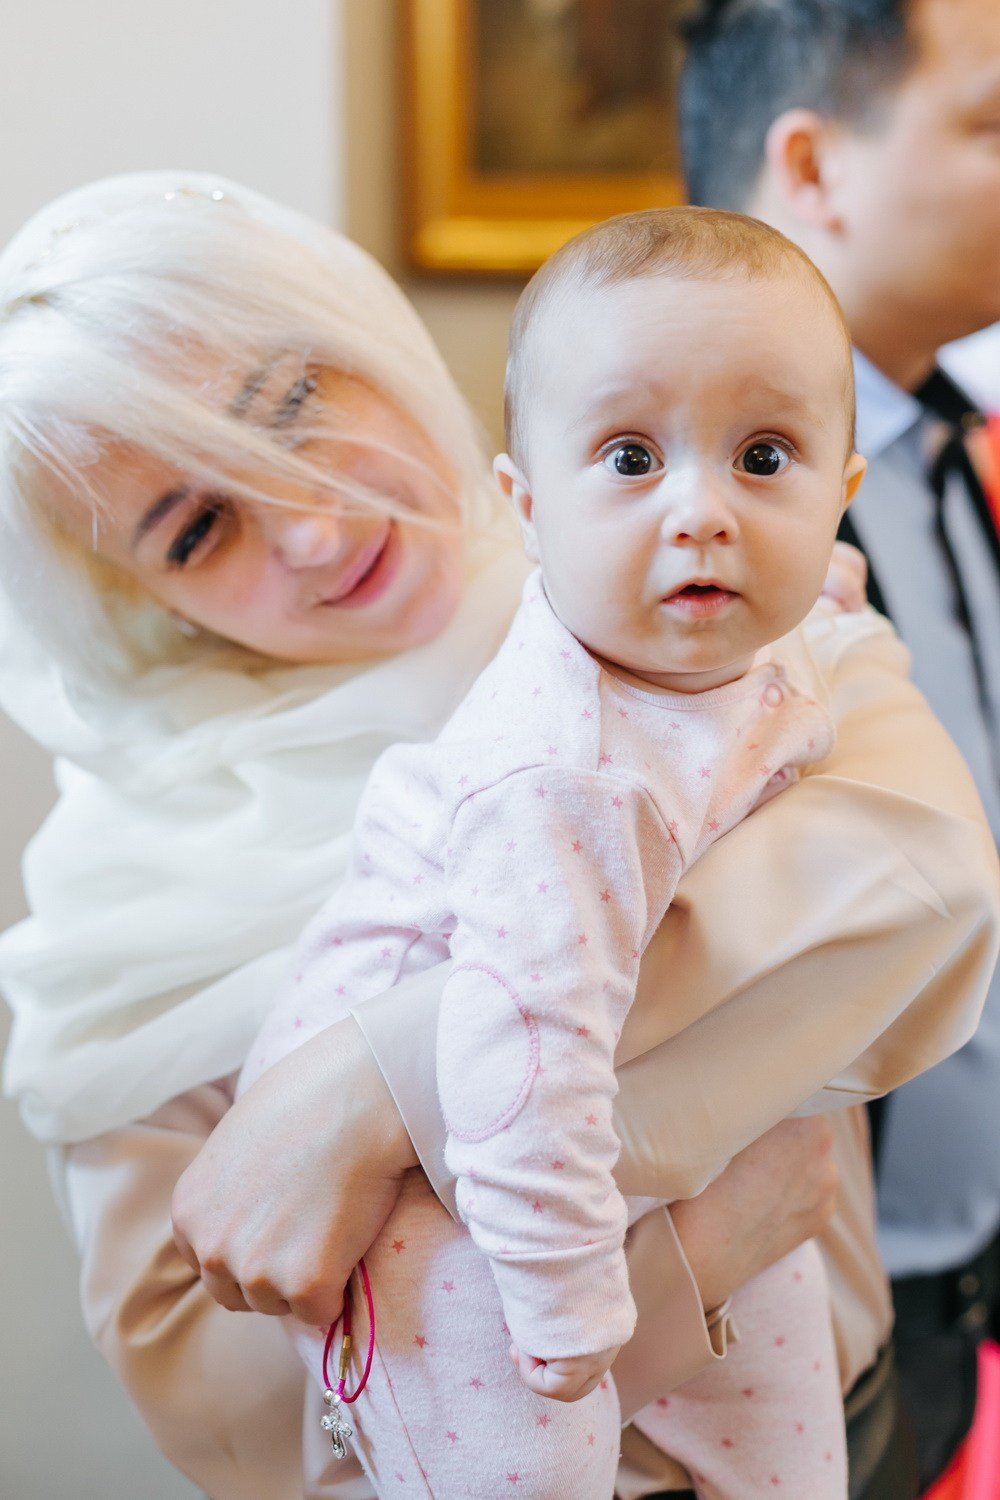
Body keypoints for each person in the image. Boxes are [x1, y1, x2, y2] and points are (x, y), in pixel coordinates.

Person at [0, 172, 992, 1500]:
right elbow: (254, 1432)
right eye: (198, 528)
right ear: (137, 601)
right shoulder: (124, 918)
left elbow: (929, 883)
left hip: (868, 1438)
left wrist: (385, 1075)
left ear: (358, 333)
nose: (307, 526)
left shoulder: (698, 574)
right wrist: (689, 1251)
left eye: (294, 405)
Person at [239, 205, 873, 1500]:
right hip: (434, 1182)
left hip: (594, 1094)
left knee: (790, 1423)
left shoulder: (732, 634)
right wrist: (579, 1311)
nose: (702, 512)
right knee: (531, 1456)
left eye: (765, 457)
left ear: (839, 491)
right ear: (526, 506)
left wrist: (828, 588)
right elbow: (517, 1069)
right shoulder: (563, 777)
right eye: (632, 457)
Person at [679, 0, 1000, 1486]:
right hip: (781, 1303)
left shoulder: (945, 445)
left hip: (955, 1261)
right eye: (993, 121)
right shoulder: (666, 550)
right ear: (812, 164)